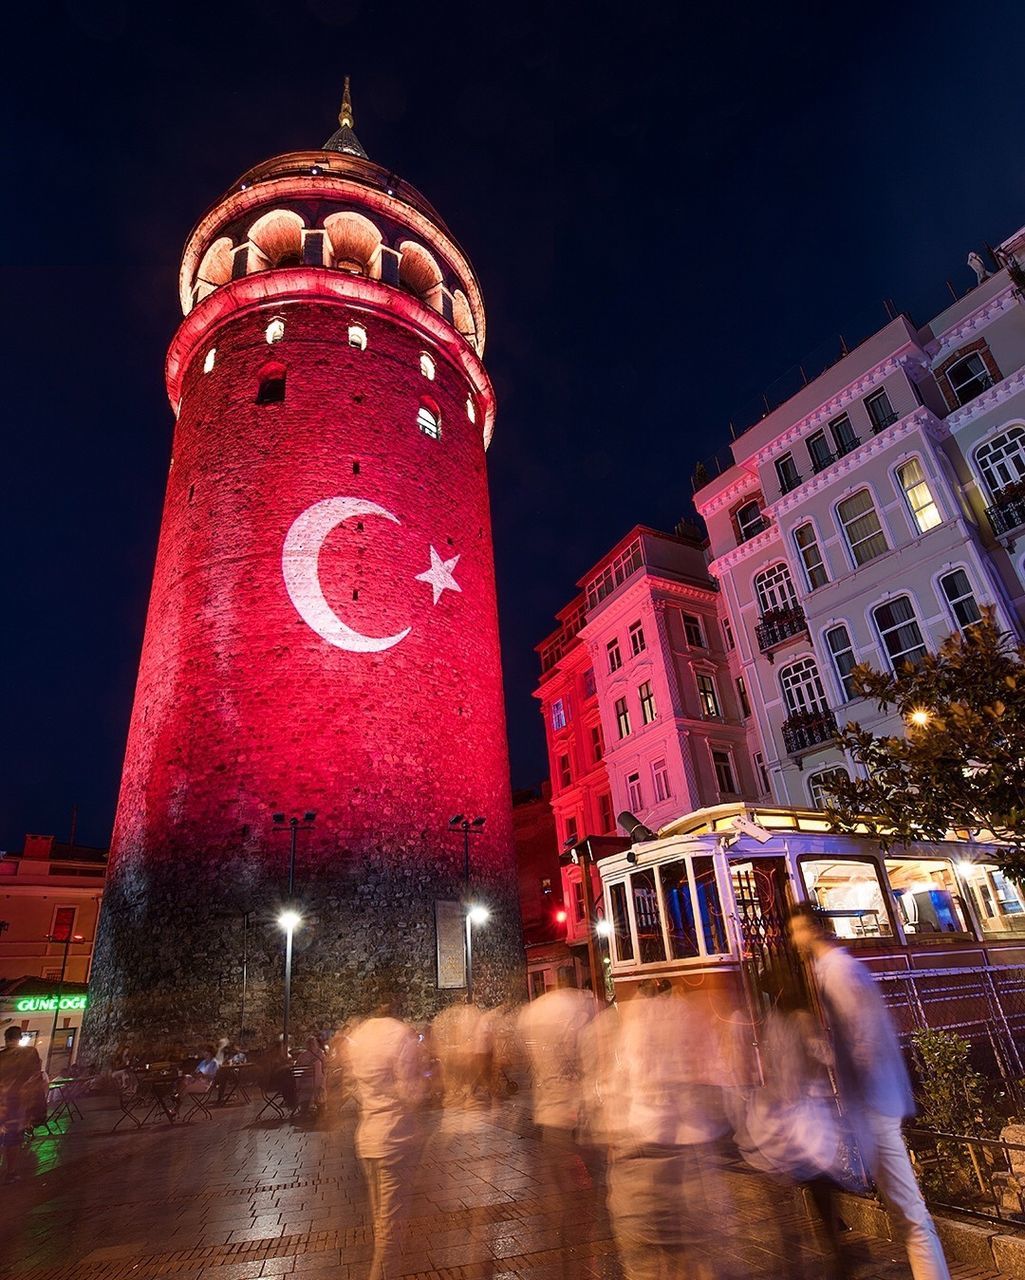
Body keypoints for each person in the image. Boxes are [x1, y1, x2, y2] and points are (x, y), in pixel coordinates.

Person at [787, 902, 950, 1280]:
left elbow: (862, 1040)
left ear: (812, 929)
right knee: (902, 1208)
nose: (794, 940)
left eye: (797, 931)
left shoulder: (838, 972)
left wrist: (823, 1055)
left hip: (875, 1103)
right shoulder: (835, 969)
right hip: (877, 1101)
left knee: (907, 1209)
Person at [517, 975, 597, 1280]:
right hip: (576, 1114)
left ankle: (566, 1252)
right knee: (586, 1193)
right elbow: (588, 1058)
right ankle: (582, 1259)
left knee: (560, 1192)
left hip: (548, 1116)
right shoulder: (581, 1007)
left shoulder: (532, 1013)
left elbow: (528, 1061)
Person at [347, 1000, 427, 1280]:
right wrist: (429, 1079)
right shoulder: (401, 1034)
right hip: (395, 1138)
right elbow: (411, 1093)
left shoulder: (360, 1035)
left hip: (368, 1139)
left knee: (382, 1224)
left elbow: (354, 1086)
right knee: (391, 1228)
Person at [0, 1026, 46, 1183]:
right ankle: (10, 1172)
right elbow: (35, 1078)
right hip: (17, 1104)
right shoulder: (30, 1053)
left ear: (6, 1039)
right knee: (13, 1140)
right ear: (20, 1038)